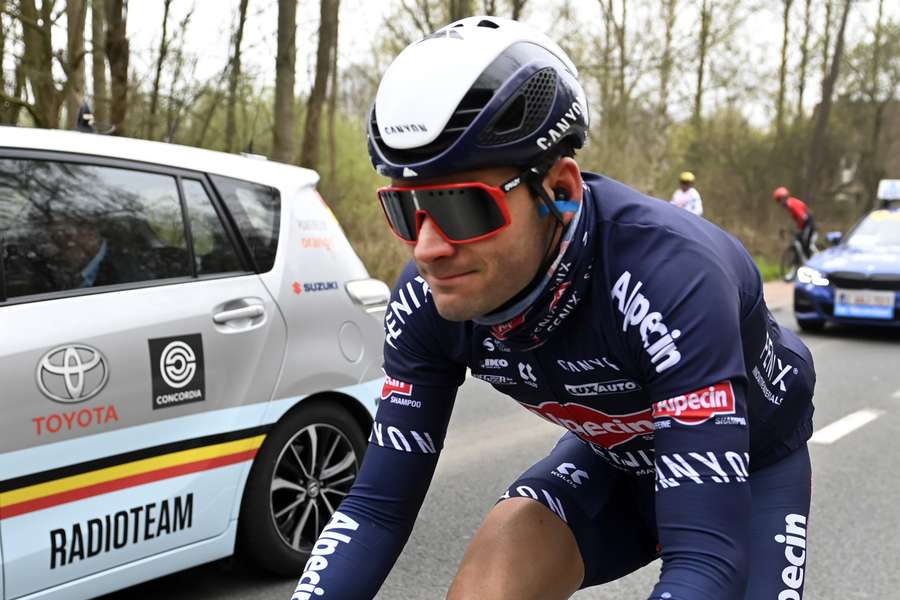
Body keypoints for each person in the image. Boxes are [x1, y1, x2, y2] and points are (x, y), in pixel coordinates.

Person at [293, 17, 815, 600]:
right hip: (611, 463)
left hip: (745, 472)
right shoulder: (426, 300)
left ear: (560, 192)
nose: (428, 248)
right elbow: (374, 511)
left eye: (463, 209)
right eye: (405, 211)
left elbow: (705, 562)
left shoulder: (671, 278)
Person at [774, 186, 816, 259]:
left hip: (808, 223)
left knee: (806, 242)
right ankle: (806, 259)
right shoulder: (789, 206)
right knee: (800, 241)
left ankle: (812, 260)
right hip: (804, 224)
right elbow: (794, 220)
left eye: (780, 199)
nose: (780, 203)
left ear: (785, 197)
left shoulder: (792, 204)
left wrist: (799, 228)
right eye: (778, 200)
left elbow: (802, 217)